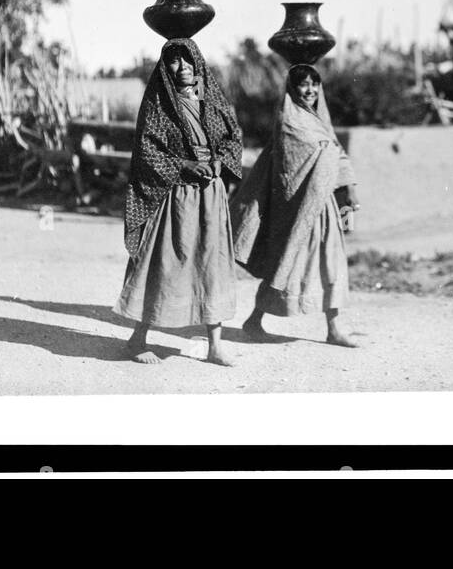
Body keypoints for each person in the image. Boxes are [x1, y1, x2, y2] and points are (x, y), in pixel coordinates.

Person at [113, 37, 244, 366]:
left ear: (198, 63)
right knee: (165, 265)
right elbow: (147, 151)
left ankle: (215, 345)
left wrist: (218, 162)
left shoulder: (211, 103)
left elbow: (233, 138)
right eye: (173, 61)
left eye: (187, 60)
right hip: (176, 195)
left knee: (211, 264)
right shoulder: (159, 104)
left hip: (210, 196)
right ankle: (137, 339)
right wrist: (185, 165)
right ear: (165, 67)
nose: (182, 67)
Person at [231, 63, 360, 347]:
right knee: (288, 265)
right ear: (293, 88)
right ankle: (254, 320)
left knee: (331, 263)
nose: (310, 90)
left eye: (315, 84)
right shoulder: (288, 121)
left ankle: (334, 328)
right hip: (299, 208)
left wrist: (348, 188)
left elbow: (334, 151)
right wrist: (326, 156)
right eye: (303, 84)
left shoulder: (318, 120)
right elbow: (292, 166)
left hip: (323, 205)